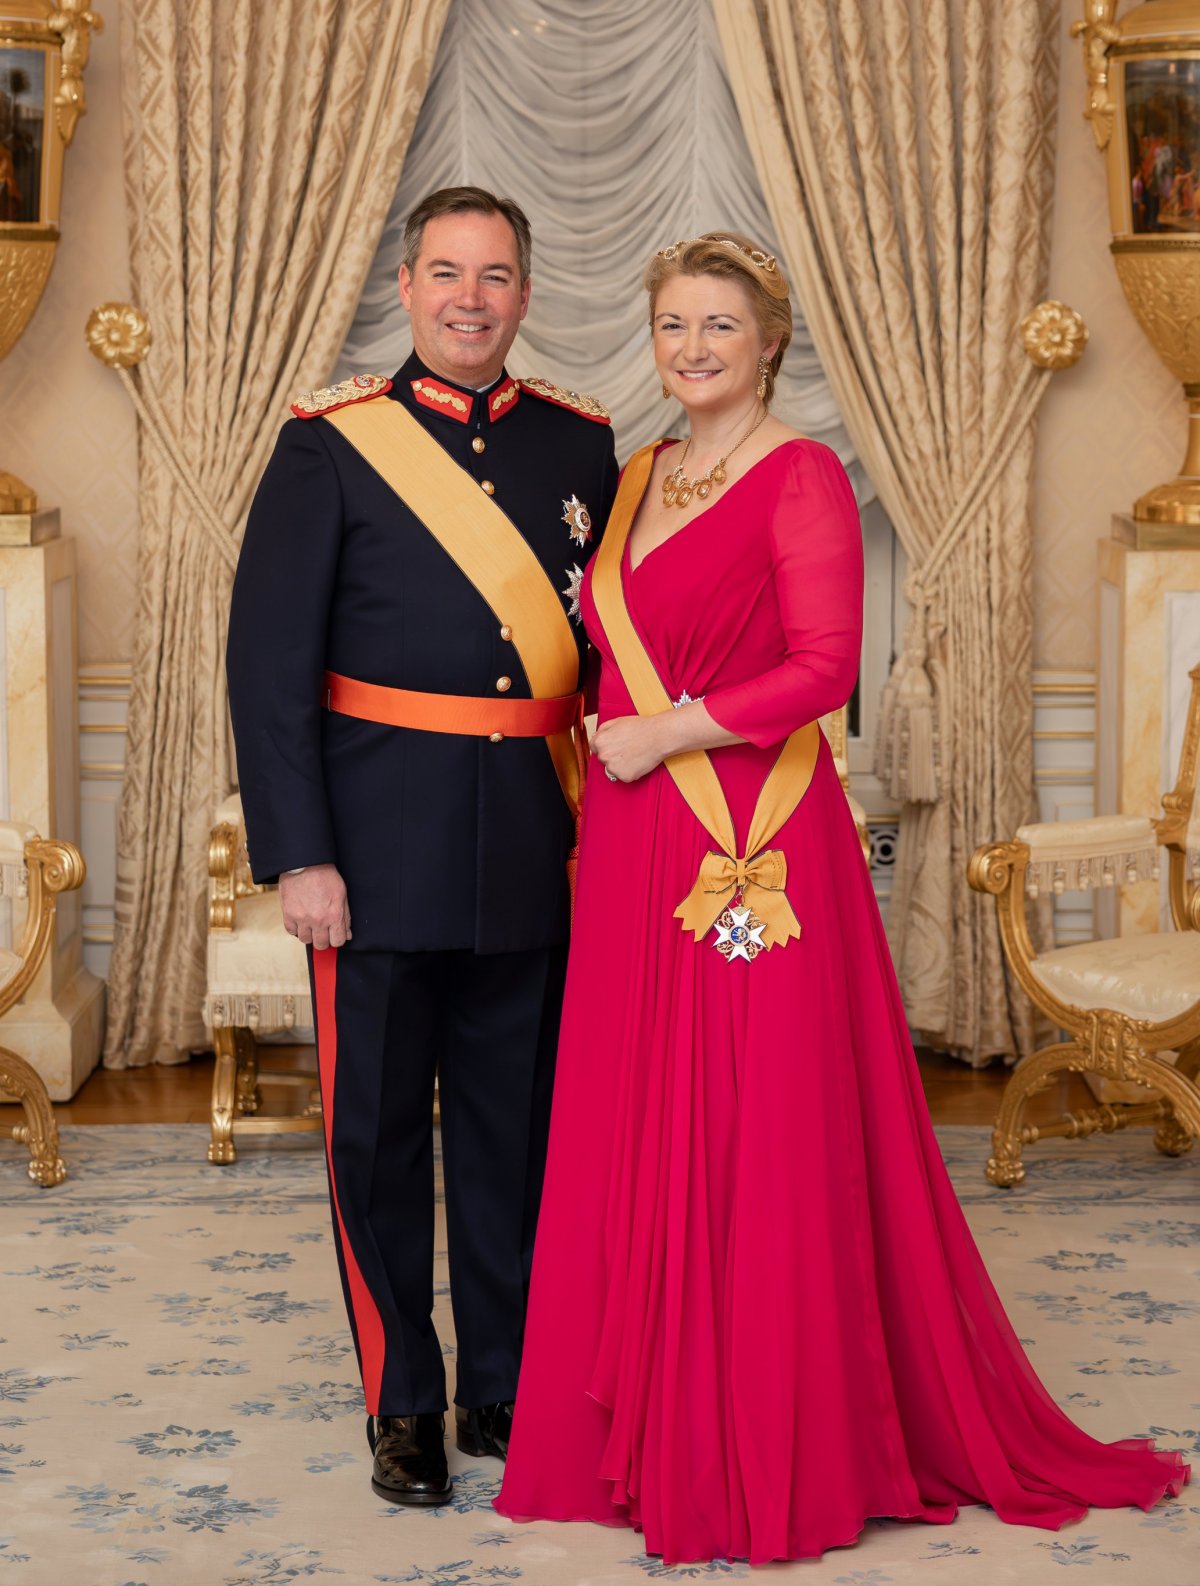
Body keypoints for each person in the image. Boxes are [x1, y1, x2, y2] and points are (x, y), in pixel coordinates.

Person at [494, 233, 1188, 1564]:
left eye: (720, 327)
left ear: (772, 343)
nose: (693, 348)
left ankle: (767, 1431)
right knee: (641, 1108)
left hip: (750, 836)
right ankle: (640, 1416)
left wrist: (662, 733)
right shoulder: (641, 475)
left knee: (762, 1113)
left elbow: (819, 673)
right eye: (674, 326)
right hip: (640, 843)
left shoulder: (802, 474)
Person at [226, 186, 618, 1507]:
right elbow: (269, 670)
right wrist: (301, 855)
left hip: (532, 852)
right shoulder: (330, 446)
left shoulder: (582, 447)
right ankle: (403, 1398)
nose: (470, 297)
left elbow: (612, 655)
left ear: (524, 291)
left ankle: (500, 1384)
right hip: (373, 856)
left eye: (495, 274)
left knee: (517, 1139)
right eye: (446, 272)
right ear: (406, 287)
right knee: (376, 1141)